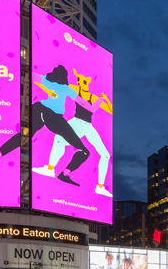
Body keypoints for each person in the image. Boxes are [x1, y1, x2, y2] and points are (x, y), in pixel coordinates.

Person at [0, 66, 91, 186]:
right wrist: (92, 107)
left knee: (24, 136)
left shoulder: (48, 81)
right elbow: (80, 101)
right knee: (84, 150)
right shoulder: (66, 88)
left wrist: (47, 89)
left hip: (39, 109)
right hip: (53, 117)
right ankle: (65, 174)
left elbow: (32, 75)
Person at [32, 68, 113, 196]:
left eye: (85, 80)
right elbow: (60, 86)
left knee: (106, 155)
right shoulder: (74, 89)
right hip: (76, 122)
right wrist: (49, 90)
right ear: (79, 82)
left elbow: (110, 110)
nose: (82, 82)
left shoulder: (95, 97)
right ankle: (50, 169)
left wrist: (105, 99)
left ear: (89, 81)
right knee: (58, 139)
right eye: (80, 80)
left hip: (88, 125)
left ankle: (100, 187)